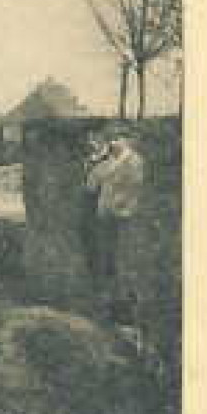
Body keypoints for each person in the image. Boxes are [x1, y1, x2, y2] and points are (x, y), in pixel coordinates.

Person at [83, 129, 146, 329]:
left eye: (118, 138)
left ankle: (129, 311)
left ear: (129, 140)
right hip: (106, 218)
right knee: (108, 262)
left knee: (124, 262)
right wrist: (94, 162)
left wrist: (119, 205)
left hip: (126, 219)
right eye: (111, 139)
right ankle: (113, 310)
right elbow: (90, 185)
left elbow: (134, 188)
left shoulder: (135, 162)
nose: (113, 143)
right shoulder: (108, 162)